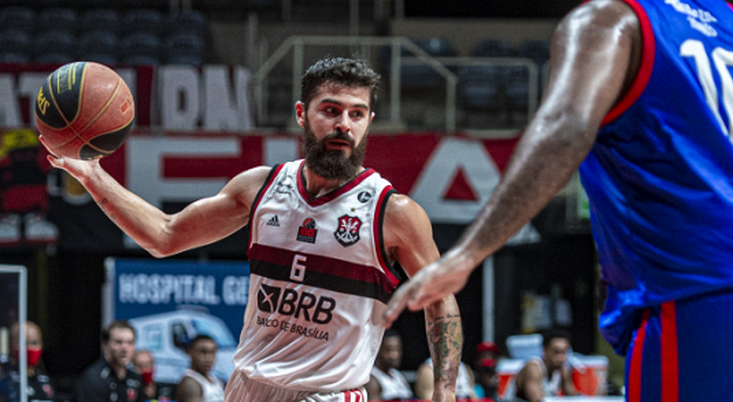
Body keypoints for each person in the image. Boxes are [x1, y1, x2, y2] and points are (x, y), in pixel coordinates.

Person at [383, 0, 733, 400]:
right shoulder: (729, 18)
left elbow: (564, 129)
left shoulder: (609, 17)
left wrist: (467, 254)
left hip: (695, 293)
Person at [42, 57, 463, 402]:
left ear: (369, 120)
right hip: (246, 387)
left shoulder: (394, 212)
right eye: (331, 110)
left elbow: (440, 302)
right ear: (302, 113)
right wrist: (92, 174)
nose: (343, 125)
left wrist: (444, 393)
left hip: (327, 393)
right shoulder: (261, 187)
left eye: (356, 114)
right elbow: (165, 237)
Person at [75, 320, 146, 402]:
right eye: (118, 342)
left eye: (130, 343)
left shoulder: (135, 378)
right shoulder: (92, 379)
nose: (125, 349)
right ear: (105, 345)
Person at [504, 329, 578, 402]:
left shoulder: (562, 370)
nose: (561, 357)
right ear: (545, 350)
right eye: (556, 352)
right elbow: (537, 400)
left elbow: (573, 398)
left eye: (564, 352)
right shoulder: (533, 368)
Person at [0, 321, 56, 402]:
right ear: (11, 345)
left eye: (34, 343)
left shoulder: (45, 380)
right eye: (24, 343)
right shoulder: (4, 379)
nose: (30, 348)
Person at [365, 330, 414, 401]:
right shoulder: (372, 379)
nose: (395, 355)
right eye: (389, 350)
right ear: (378, 350)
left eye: (397, 349)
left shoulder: (398, 375)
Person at [174, 335, 224, 402]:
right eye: (203, 352)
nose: (208, 358)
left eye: (212, 352)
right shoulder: (190, 383)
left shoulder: (215, 380)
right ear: (190, 353)